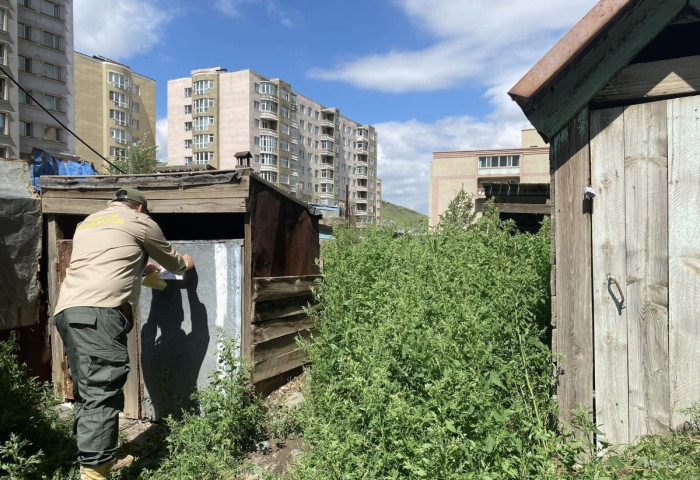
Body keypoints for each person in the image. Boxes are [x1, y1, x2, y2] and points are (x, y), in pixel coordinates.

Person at [53, 187, 194, 480]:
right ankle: (94, 474)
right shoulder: (140, 221)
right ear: (140, 208)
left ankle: (96, 461)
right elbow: (174, 264)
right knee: (101, 393)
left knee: (86, 392)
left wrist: (140, 267)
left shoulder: (87, 223)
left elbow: (104, 262)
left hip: (68, 311)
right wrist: (185, 264)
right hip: (100, 313)